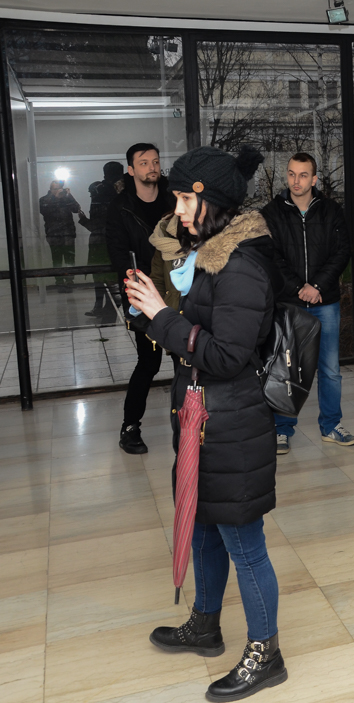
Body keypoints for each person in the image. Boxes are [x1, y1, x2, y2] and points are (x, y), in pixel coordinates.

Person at [125, 145, 289, 702]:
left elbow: (225, 356)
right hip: (202, 414)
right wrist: (153, 310)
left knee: (244, 541)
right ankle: (206, 623)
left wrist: (161, 315)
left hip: (231, 419)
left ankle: (266, 653)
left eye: (182, 198)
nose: (175, 208)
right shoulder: (206, 256)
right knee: (201, 526)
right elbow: (194, 331)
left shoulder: (240, 263)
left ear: (210, 202)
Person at [261, 152, 354, 454]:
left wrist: (316, 286)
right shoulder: (272, 213)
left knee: (330, 369)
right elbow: (271, 257)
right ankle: (282, 429)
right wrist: (298, 288)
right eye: (291, 174)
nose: (296, 180)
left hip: (324, 301)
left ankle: (331, 425)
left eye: (303, 175)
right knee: (285, 368)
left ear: (314, 179)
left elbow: (341, 252)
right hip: (289, 303)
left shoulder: (331, 211)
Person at [106, 143, 175, 455]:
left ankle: (192, 420)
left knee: (187, 358)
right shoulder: (120, 207)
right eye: (144, 162)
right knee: (149, 362)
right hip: (144, 294)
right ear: (131, 170)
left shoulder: (174, 199)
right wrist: (137, 288)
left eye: (156, 161)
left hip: (178, 290)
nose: (152, 167)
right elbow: (118, 253)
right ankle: (130, 426)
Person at [79, 161, 124, 321]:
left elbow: (96, 224)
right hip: (118, 240)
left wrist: (84, 221)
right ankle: (107, 308)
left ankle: (104, 308)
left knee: (100, 275)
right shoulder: (124, 191)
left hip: (100, 240)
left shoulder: (99, 191)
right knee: (113, 275)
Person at [38, 179, 81, 292]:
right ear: (50, 189)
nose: (58, 191)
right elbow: (45, 211)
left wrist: (69, 196)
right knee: (56, 259)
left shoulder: (66, 198)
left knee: (70, 258)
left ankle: (70, 281)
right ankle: (59, 281)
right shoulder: (44, 199)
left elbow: (76, 209)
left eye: (59, 188)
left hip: (68, 233)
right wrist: (56, 198)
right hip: (54, 234)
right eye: (55, 189)